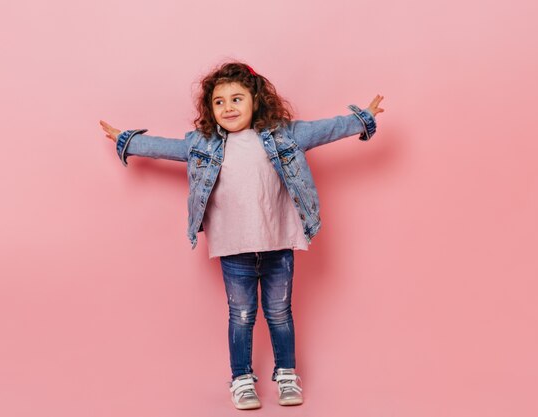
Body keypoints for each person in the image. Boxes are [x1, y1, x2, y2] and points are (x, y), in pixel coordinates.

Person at [99, 61, 384, 410]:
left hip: (279, 242)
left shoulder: (285, 135)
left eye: (237, 99)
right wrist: (127, 141)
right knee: (242, 315)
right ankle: (242, 379)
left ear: (256, 101)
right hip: (234, 248)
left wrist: (362, 119)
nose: (228, 107)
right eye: (219, 102)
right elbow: (165, 147)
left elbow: (327, 129)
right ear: (210, 109)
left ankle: (286, 373)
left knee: (279, 313)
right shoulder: (203, 144)